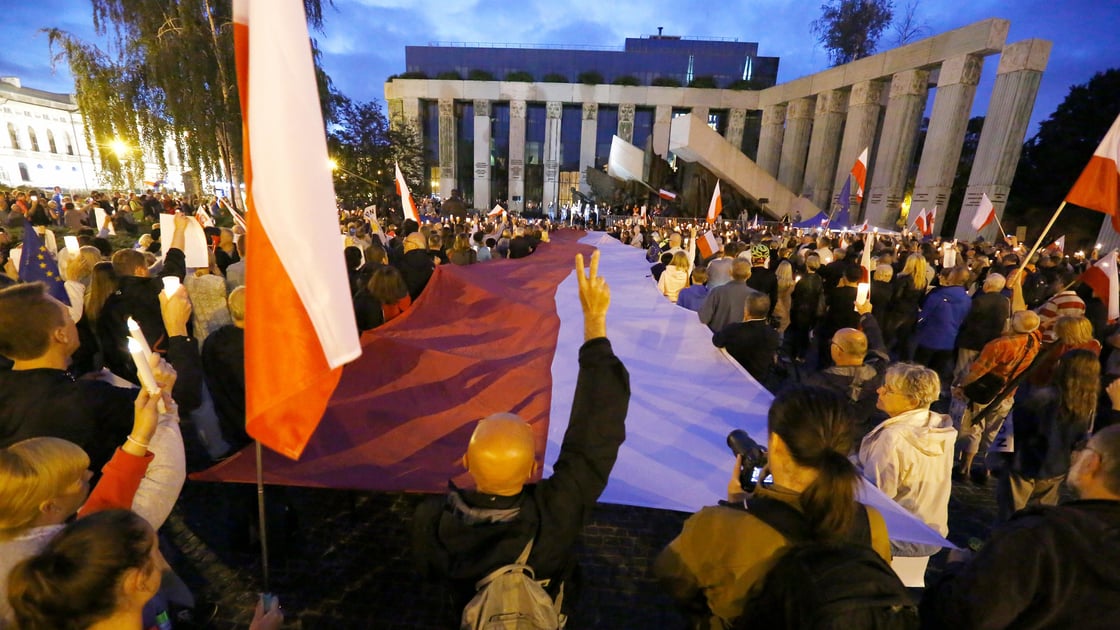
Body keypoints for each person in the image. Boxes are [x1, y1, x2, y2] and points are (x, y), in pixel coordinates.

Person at [412, 250, 629, 621]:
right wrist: (594, 324)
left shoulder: (432, 523)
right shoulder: (555, 515)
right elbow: (596, 434)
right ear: (532, 467)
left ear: (466, 462)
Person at [654, 386, 892, 629]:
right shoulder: (872, 523)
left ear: (776, 443)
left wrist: (738, 511)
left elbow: (671, 578)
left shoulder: (716, 525)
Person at [920, 424, 1120, 628]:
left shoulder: (1036, 536)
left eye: (1084, 447)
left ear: (1092, 463)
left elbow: (961, 617)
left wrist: (955, 569)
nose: (1076, 454)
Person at [859, 363, 956, 560]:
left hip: (897, 534)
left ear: (912, 401)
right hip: (930, 531)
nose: (880, 390)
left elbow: (876, 496)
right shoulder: (938, 426)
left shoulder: (893, 437)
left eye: (888, 388)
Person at [996, 350, 1102, 521]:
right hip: (1056, 468)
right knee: (1041, 516)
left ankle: (1004, 543)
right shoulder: (1088, 403)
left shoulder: (1042, 399)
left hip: (1023, 463)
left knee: (1011, 514)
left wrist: (1002, 457)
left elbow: (1015, 428)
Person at [952, 310, 1042, 483]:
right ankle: (986, 469)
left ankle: (965, 468)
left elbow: (978, 371)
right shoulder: (1034, 341)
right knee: (993, 432)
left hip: (984, 391)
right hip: (1008, 393)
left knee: (974, 428)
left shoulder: (1000, 345)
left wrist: (961, 385)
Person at [803, 300, 889, 436]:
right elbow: (877, 342)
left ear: (837, 350)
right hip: (862, 432)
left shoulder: (818, 382)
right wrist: (866, 315)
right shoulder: (879, 371)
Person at [713, 293, 779, 389]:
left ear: (746, 311)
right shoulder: (773, 335)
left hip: (732, 379)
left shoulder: (734, 329)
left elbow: (716, 341)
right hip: (758, 381)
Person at [699, 259, 758, 333]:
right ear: (749, 275)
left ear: (730, 272)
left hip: (717, 338)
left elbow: (703, 318)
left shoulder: (717, 292)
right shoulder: (755, 296)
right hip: (742, 340)